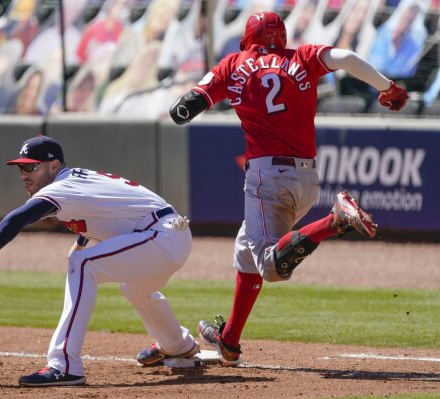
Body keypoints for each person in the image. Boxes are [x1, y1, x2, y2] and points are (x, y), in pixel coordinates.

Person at [168, 10, 408, 366]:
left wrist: (194, 102)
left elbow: (183, 109)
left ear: (248, 38)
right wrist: (387, 87)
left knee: (270, 266)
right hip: (306, 177)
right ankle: (230, 339)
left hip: (267, 177)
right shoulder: (302, 57)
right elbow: (344, 57)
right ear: (281, 37)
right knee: (245, 251)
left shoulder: (234, 64)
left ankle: (334, 220)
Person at [0, 135, 200, 386]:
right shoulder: (75, 180)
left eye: (31, 166)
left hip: (160, 236)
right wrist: (81, 241)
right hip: (164, 234)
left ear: (54, 166)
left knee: (84, 264)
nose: (24, 173)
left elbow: (17, 219)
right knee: (134, 287)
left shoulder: (62, 186)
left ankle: (64, 365)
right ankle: (177, 345)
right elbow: (102, 210)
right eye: (21, 167)